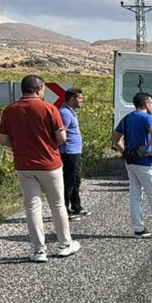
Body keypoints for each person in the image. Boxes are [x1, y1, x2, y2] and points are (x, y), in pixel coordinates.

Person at [0, 75, 81, 262]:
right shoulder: (49, 109)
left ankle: (38, 250)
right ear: (39, 89)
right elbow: (62, 138)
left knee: (32, 206)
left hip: (23, 164)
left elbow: (3, 139)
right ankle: (65, 244)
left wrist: (20, 147)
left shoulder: (10, 110)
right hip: (49, 164)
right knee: (57, 204)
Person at [112, 92, 152, 237]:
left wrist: (124, 152)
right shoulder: (147, 117)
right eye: (151, 103)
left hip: (131, 161)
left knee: (135, 194)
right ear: (145, 104)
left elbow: (115, 138)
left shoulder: (127, 118)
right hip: (145, 162)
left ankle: (139, 228)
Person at [59, 88, 90, 221]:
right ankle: (65, 210)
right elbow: (61, 132)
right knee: (68, 181)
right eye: (79, 98)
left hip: (74, 151)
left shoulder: (71, 112)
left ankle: (76, 206)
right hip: (68, 152)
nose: (82, 101)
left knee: (75, 180)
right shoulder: (65, 113)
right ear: (72, 99)